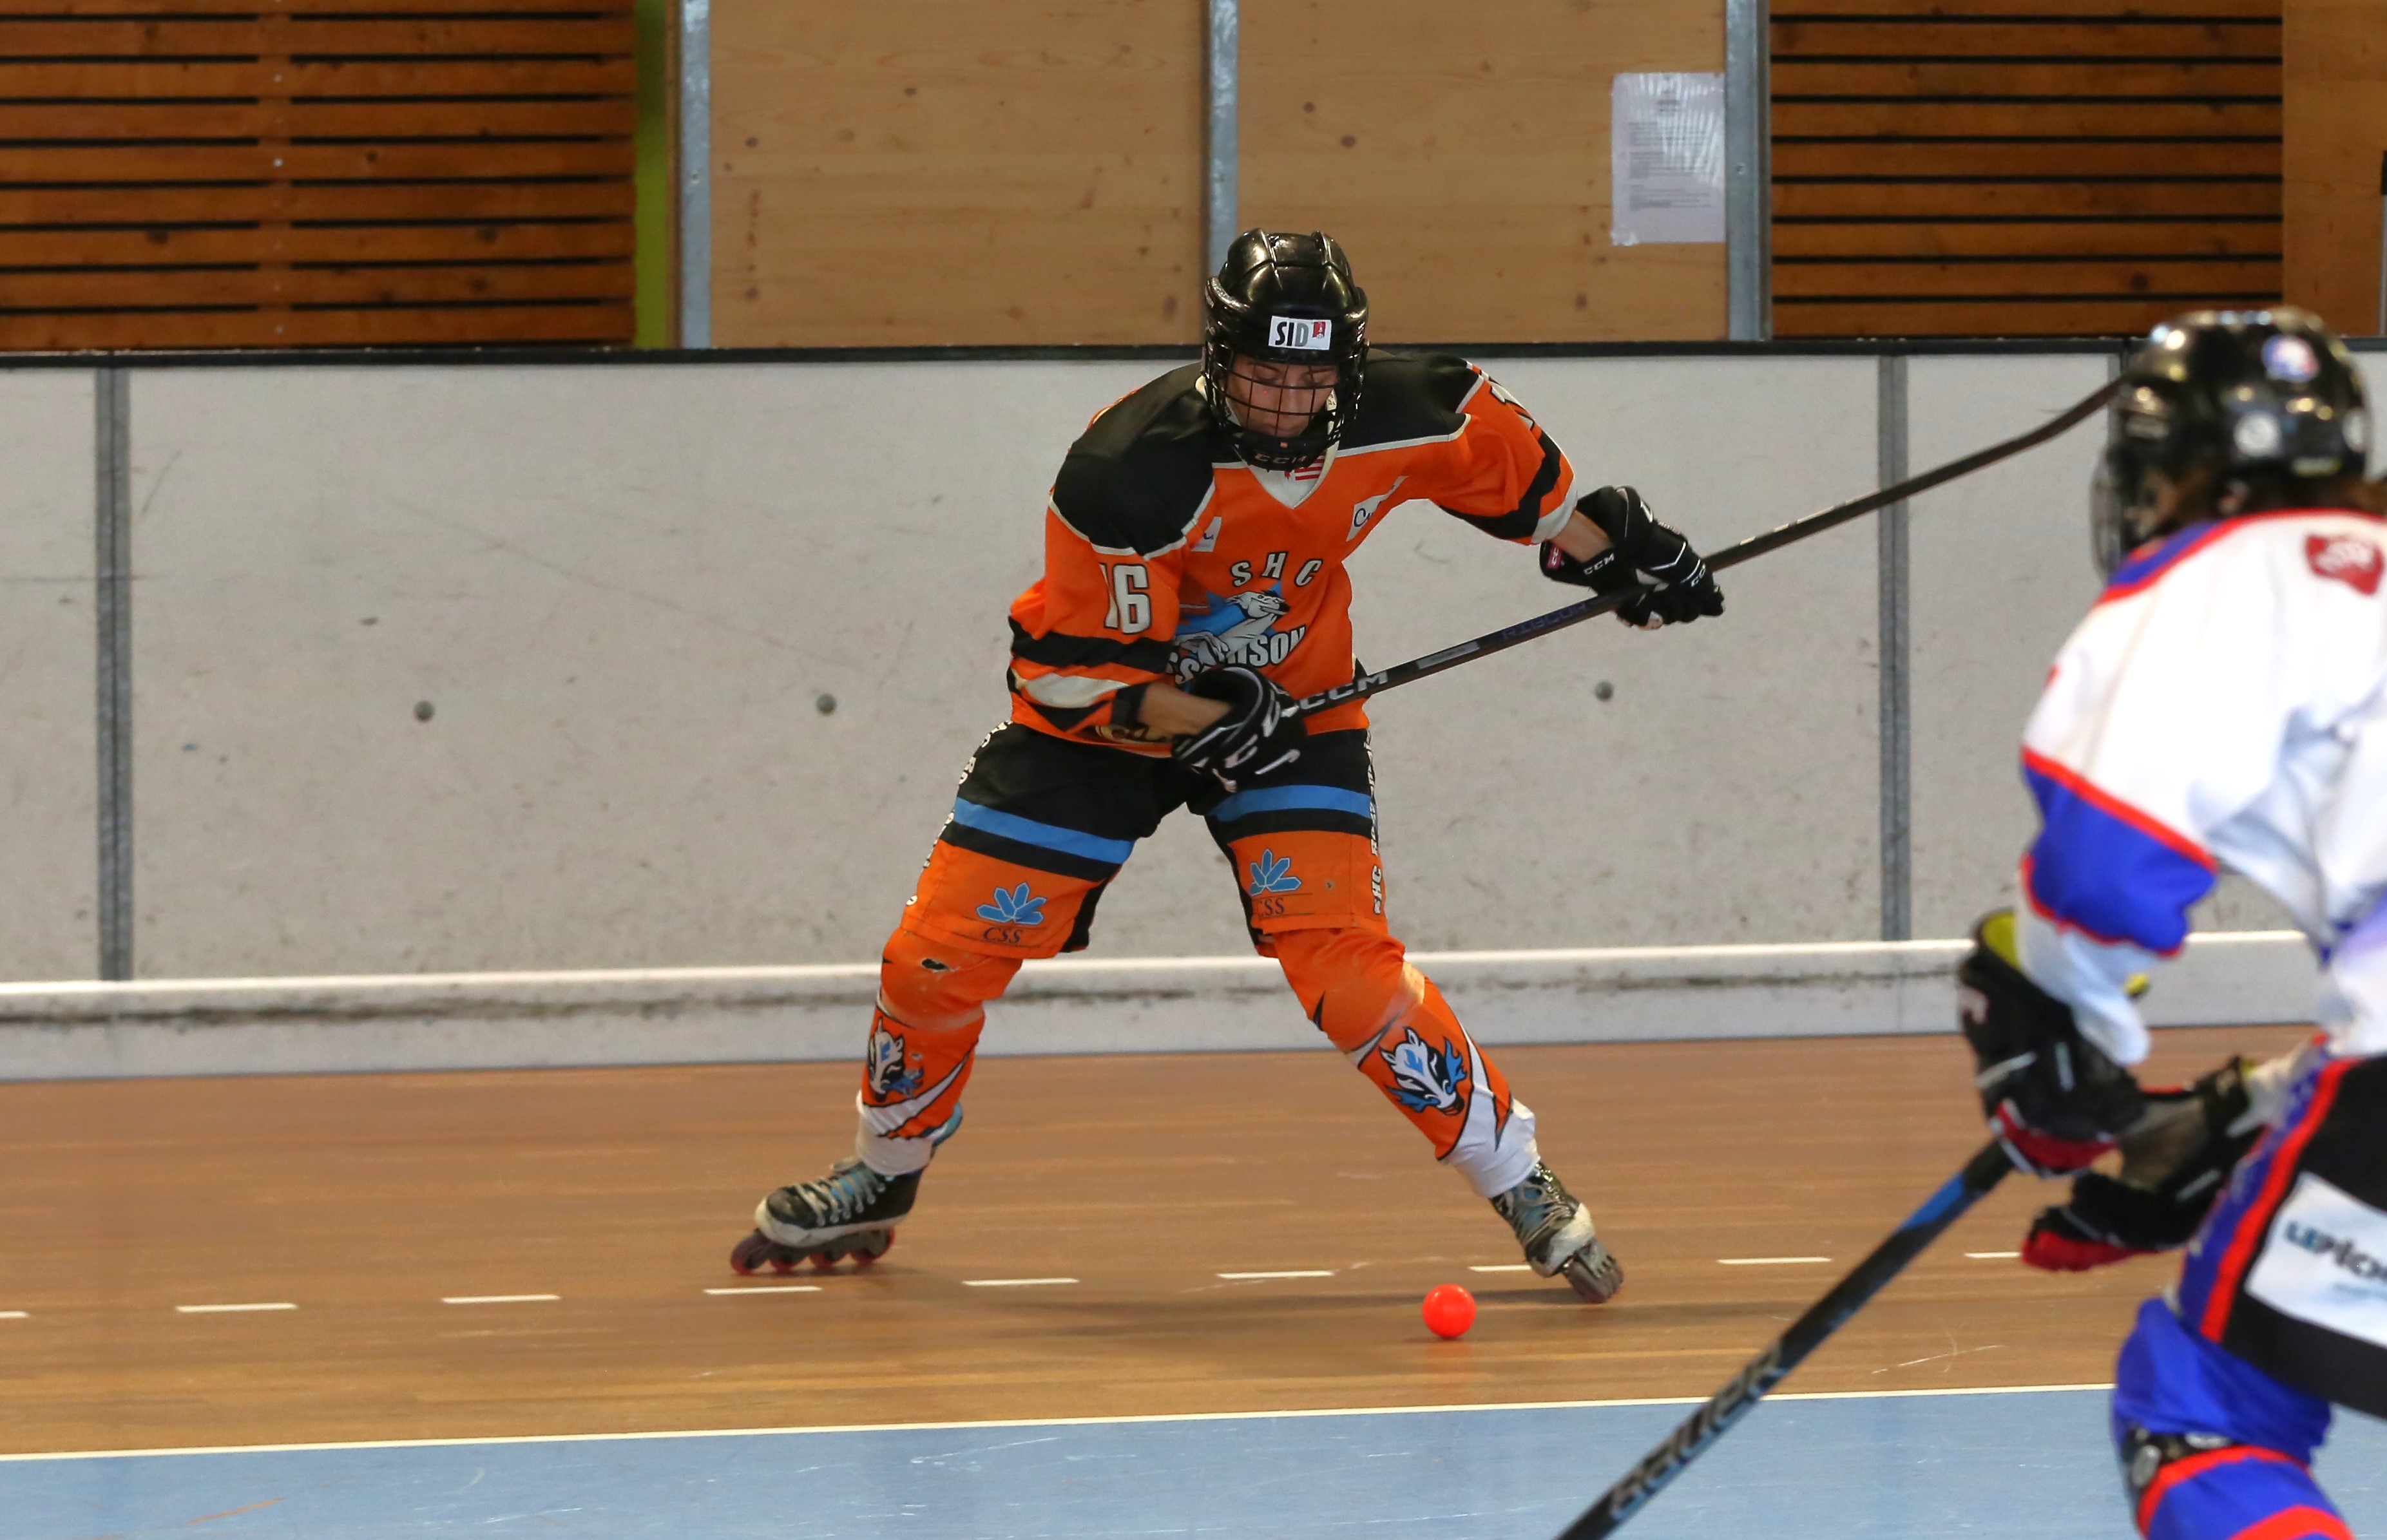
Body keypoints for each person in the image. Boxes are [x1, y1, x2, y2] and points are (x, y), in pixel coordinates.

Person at [729, 229, 1724, 1300]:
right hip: (1100, 729)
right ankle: (884, 1171)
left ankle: (1519, 1179)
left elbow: (1542, 505)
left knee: (1341, 959)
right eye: (1261, 375)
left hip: (1297, 714)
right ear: (1218, 359)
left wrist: (1626, 564)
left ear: (1349, 368)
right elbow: (1067, 675)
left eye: (1310, 378)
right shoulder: (1126, 469)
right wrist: (1198, 713)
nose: (1286, 405)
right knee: (933, 957)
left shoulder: (1431, 407)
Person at [1951, 308, 2383, 1539]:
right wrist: (2247, 1113)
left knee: (2200, 1416)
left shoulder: (2215, 577)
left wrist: (2055, 1042)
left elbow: (2105, 871)